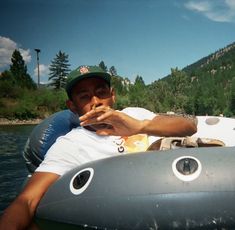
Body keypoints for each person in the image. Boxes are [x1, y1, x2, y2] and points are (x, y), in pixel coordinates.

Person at [0, 65, 197, 230]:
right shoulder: (70, 145)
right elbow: (26, 201)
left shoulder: (134, 113)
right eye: (84, 97)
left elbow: (189, 125)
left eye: (101, 92)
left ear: (112, 96)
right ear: (73, 106)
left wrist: (140, 126)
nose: (95, 102)